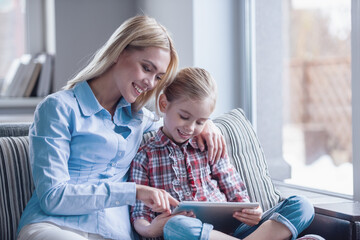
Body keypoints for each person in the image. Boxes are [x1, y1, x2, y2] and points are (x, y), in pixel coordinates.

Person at [16, 16, 226, 240]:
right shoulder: (57, 108)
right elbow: (53, 196)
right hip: (54, 227)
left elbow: (179, 120)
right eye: (146, 68)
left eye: (158, 77)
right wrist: (134, 192)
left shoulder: (139, 118)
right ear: (118, 52)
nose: (150, 83)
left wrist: (208, 124)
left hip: (113, 233)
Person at [129, 67, 315, 240]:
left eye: (201, 121)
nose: (191, 128)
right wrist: (151, 229)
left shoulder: (210, 144)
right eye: (184, 117)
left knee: (302, 205)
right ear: (163, 104)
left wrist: (252, 211)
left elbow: (237, 194)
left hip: (236, 232)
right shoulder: (144, 157)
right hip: (193, 234)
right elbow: (139, 215)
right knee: (175, 225)